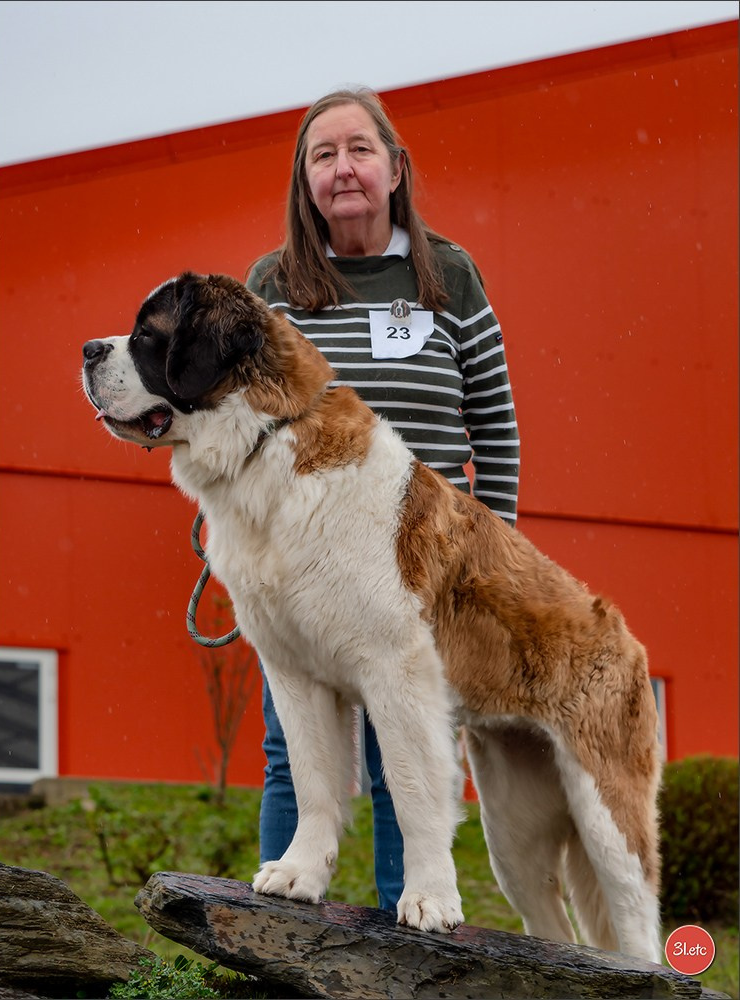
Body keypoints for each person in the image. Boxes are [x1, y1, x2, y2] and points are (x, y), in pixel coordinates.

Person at [246, 87, 520, 912]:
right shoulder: (274, 284)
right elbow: (244, 425)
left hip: (427, 562)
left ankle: (413, 929)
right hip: (303, 567)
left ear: (395, 167)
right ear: (306, 182)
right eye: (321, 156)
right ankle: (280, 932)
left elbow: (495, 426)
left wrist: (495, 554)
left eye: (358, 150)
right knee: (295, 749)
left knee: (413, 736)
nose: (343, 169)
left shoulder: (451, 276)